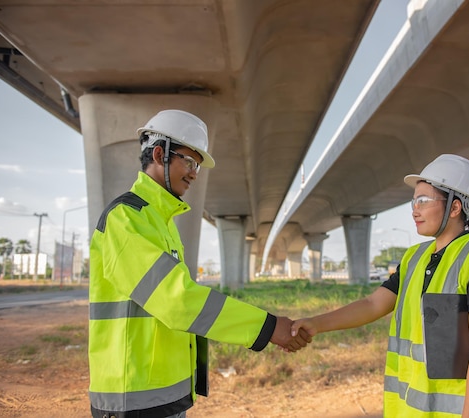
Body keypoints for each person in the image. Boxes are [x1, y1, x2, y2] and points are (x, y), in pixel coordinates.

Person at [88, 109, 311, 418]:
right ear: (158, 154)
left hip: (163, 393)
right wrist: (268, 327)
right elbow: (178, 301)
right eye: (190, 162)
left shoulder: (161, 222)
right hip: (134, 399)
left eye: (198, 166)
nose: (194, 173)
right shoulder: (126, 219)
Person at [291, 154, 469, 417]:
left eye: (424, 200)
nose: (415, 209)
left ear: (455, 207)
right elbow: (372, 304)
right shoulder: (414, 257)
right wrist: (316, 324)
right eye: (413, 201)